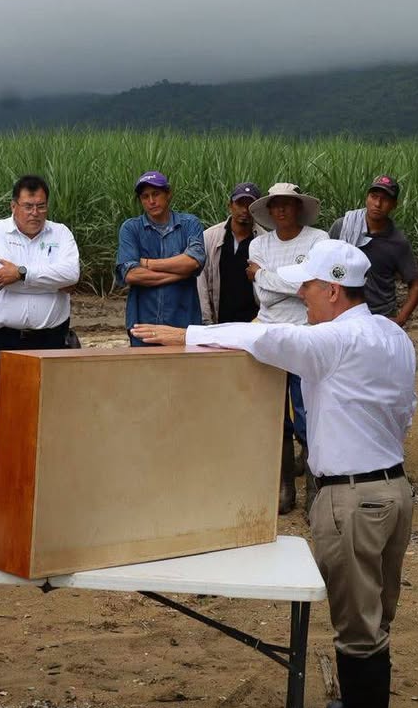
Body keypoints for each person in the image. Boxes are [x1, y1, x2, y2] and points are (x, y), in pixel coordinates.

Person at [131, 240, 417, 708]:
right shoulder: (391, 334)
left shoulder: (333, 340)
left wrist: (188, 334)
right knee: (375, 610)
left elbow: (263, 337)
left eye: (307, 287)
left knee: (358, 618)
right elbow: (406, 410)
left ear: (333, 290)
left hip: (353, 498)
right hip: (393, 487)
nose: (302, 297)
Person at [0, 175, 80, 502]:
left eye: (41, 206)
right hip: (3, 341)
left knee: (49, 414)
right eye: (28, 206)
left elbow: (72, 275)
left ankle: (46, 486)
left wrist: (22, 273)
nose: (35, 213)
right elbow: (0, 278)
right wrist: (52, 281)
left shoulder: (61, 233)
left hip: (51, 340)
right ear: (14, 206)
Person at [247, 182, 329, 513]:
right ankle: (284, 489)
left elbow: (312, 287)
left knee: (308, 412)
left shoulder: (318, 240)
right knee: (275, 414)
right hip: (270, 335)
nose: (281, 209)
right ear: (269, 210)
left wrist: (263, 275)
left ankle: (313, 490)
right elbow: (266, 297)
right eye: (275, 204)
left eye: (287, 203)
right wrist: (293, 285)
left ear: (298, 207)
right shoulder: (258, 244)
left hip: (306, 335)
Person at [116, 170, 205, 346]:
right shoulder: (131, 228)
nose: (151, 201)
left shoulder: (189, 224)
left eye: (156, 194)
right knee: (145, 364)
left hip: (183, 321)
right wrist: (180, 273)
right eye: (145, 196)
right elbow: (131, 274)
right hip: (143, 323)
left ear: (168, 194)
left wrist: (147, 263)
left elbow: (193, 262)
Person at [328, 174, 418, 326]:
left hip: (380, 316)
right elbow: (324, 265)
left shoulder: (397, 242)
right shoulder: (343, 227)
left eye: (385, 200)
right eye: (374, 197)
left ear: (394, 205)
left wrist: (400, 319)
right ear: (367, 198)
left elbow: (416, 285)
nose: (378, 204)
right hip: (343, 314)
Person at [197, 182, 261, 325]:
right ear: (230, 205)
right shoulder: (210, 237)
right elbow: (201, 282)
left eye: (250, 205)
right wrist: (206, 321)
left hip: (253, 324)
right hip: (218, 322)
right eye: (240, 204)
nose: (245, 210)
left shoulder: (264, 240)